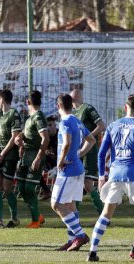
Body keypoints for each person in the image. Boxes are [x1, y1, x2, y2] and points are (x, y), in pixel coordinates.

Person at [87, 94, 134, 263]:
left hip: (114, 175)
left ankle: (92, 251)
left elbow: (100, 154)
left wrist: (101, 177)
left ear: (124, 107)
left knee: (106, 214)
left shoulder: (113, 126)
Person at [51, 94, 96, 252]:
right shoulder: (77, 121)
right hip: (78, 169)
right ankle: (72, 241)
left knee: (56, 204)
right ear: (71, 105)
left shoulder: (64, 122)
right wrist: (78, 154)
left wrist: (61, 160)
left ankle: (80, 235)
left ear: (58, 107)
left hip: (68, 171)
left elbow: (67, 142)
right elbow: (92, 140)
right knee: (70, 205)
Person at [14, 90, 49, 228]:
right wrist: (19, 138)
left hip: (34, 156)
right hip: (25, 157)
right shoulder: (30, 118)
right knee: (22, 188)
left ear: (28, 102)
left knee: (29, 187)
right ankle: (38, 216)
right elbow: (29, 132)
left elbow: (45, 138)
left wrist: (38, 158)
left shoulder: (38, 117)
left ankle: (35, 221)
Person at [0, 89, 21, 228]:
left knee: (6, 188)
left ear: (2, 100)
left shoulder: (14, 114)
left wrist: (2, 154)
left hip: (9, 157)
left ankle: (14, 216)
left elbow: (15, 137)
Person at [71, 89, 105, 214]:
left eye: (75, 93)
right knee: (77, 183)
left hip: (89, 151)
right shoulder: (73, 113)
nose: (74, 95)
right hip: (78, 151)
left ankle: (103, 215)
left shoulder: (87, 108)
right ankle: (75, 216)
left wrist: (88, 137)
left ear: (79, 95)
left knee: (87, 185)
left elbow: (102, 126)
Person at [38, 116, 58, 201]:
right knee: (34, 166)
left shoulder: (61, 134)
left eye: (50, 125)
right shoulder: (44, 137)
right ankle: (46, 191)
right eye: (46, 126)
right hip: (49, 161)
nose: (48, 128)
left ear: (55, 125)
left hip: (63, 162)